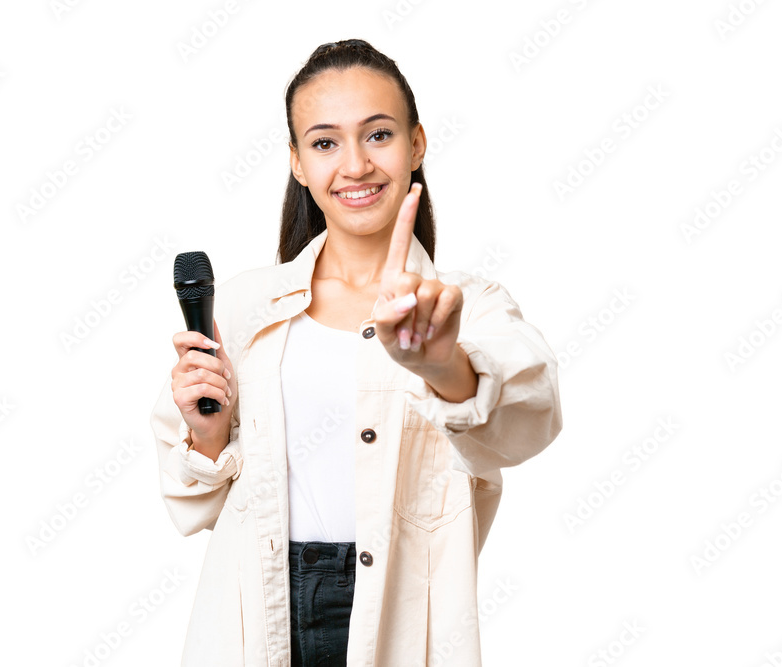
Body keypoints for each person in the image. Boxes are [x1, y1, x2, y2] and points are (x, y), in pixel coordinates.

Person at [151, 39, 563, 666]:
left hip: (401, 609)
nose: (355, 165)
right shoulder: (242, 307)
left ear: (416, 144)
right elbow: (195, 504)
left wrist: (441, 365)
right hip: (260, 608)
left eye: (378, 135)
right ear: (296, 162)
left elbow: (530, 420)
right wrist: (207, 434)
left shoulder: (466, 307)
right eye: (324, 143)